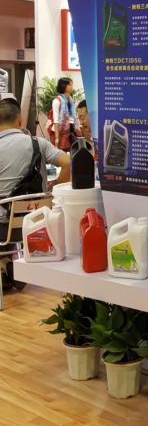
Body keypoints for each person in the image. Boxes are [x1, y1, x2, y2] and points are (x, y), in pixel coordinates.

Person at [0, 97, 70, 289]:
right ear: (20, 120)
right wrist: (54, 189)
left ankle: (6, 264)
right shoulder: (38, 143)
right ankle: (9, 267)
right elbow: (67, 163)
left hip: (3, 228)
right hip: (37, 222)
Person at [51, 77, 81, 151]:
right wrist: (57, 138)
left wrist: (77, 128)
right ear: (64, 86)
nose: (72, 86)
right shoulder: (57, 101)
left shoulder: (71, 100)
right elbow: (55, 120)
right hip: (59, 132)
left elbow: (74, 116)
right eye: (70, 85)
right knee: (60, 153)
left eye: (72, 84)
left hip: (70, 131)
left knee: (72, 151)